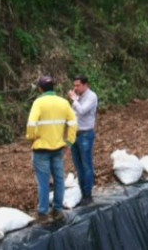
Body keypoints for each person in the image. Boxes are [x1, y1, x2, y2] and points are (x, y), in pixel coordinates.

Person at [26, 76, 77, 223]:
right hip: (58, 148)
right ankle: (58, 211)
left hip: (41, 149)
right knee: (59, 180)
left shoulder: (38, 103)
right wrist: (70, 141)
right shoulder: (63, 102)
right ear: (53, 87)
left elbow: (31, 124)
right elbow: (73, 123)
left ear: (40, 89)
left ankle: (43, 213)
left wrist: (32, 137)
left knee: (43, 182)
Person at [68, 75, 98, 207]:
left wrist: (74, 100)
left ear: (86, 85)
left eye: (78, 85)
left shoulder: (91, 97)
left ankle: (88, 194)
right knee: (78, 165)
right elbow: (72, 113)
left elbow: (82, 111)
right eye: (74, 86)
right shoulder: (78, 96)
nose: (75, 88)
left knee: (86, 164)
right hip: (75, 134)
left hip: (86, 134)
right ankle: (82, 191)